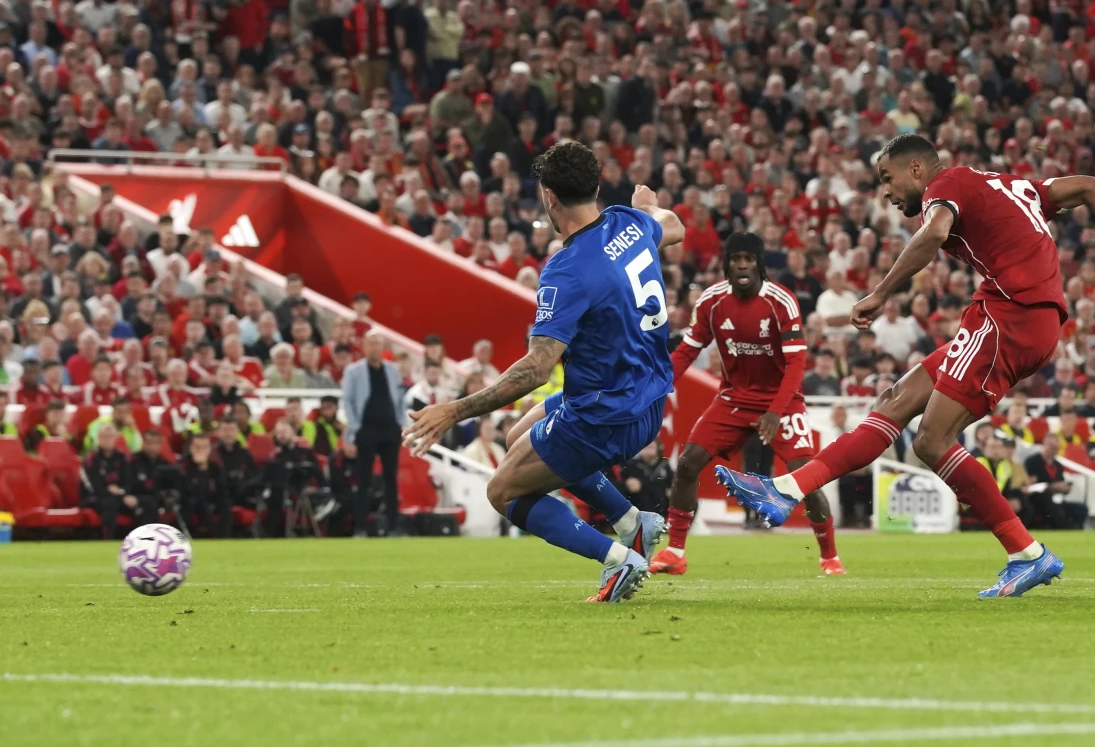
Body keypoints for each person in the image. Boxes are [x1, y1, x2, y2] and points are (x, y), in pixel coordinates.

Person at [717, 133, 1095, 597]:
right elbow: (1093, 187)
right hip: (1015, 316)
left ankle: (1026, 553)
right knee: (895, 400)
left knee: (932, 439)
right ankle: (787, 488)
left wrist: (881, 292)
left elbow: (933, 233)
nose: (887, 193)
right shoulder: (1011, 185)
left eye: (888, 179)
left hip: (1010, 315)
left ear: (916, 170)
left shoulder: (945, 183)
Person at [406, 141, 685, 603]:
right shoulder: (629, 223)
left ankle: (618, 560)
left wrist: (455, 410)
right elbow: (671, 223)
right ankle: (635, 523)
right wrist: (648, 206)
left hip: (604, 415)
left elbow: (537, 368)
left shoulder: (567, 270)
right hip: (648, 397)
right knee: (521, 433)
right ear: (596, 187)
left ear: (549, 197)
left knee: (504, 491)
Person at [649, 232, 840, 576]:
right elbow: (688, 350)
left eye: (748, 259)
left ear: (759, 265)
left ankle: (830, 557)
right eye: (735, 259)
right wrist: (657, 387)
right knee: (689, 463)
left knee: (806, 480)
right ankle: (675, 551)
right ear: (726, 264)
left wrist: (775, 411)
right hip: (734, 398)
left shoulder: (781, 301)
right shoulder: (711, 302)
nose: (741, 265)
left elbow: (797, 364)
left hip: (782, 401)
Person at [341, 331, 407, 537]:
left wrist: (401, 425)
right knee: (364, 480)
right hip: (366, 429)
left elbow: (399, 400)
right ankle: (360, 527)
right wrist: (355, 429)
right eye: (370, 344)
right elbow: (348, 401)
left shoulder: (393, 370)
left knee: (391, 479)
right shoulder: (353, 371)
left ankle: (393, 526)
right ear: (364, 347)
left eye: (377, 344)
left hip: (389, 429)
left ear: (382, 347)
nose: (374, 348)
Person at [1023, 433, 1089, 530]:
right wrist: (1051, 487)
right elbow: (1031, 485)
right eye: (1051, 446)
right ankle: (1066, 528)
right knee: (1051, 506)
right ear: (1044, 444)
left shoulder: (1058, 465)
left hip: (1055, 498)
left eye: (1056, 448)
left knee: (1081, 508)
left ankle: (1076, 531)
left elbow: (1060, 482)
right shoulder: (1032, 461)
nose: (1054, 450)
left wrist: (1065, 488)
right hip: (1038, 500)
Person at [80, 423, 133, 539]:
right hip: (94, 498)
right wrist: (119, 494)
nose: (107, 440)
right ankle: (107, 540)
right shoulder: (91, 459)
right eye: (104, 436)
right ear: (98, 438)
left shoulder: (123, 457)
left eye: (110, 436)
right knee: (110, 503)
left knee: (146, 503)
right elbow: (94, 487)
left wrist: (123, 493)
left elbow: (129, 481)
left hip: (119, 497)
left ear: (116, 438)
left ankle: (145, 542)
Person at [179, 433, 231, 538]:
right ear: (191, 448)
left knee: (225, 504)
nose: (201, 450)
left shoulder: (215, 467)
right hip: (189, 502)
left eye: (204, 447)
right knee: (201, 504)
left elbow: (222, 489)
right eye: (197, 447)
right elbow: (187, 490)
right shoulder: (182, 466)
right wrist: (201, 471)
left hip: (212, 500)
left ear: (210, 449)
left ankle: (225, 539)